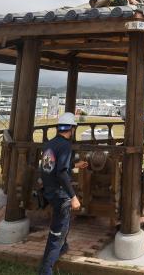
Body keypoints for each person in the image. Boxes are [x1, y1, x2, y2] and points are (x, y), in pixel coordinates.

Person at [38, 113, 88, 275]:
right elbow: (61, 173)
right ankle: (46, 270)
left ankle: (63, 247)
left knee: (62, 226)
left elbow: (52, 165)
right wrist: (73, 197)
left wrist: (74, 163)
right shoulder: (65, 145)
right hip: (60, 195)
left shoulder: (50, 144)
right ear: (72, 129)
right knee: (57, 232)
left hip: (49, 191)